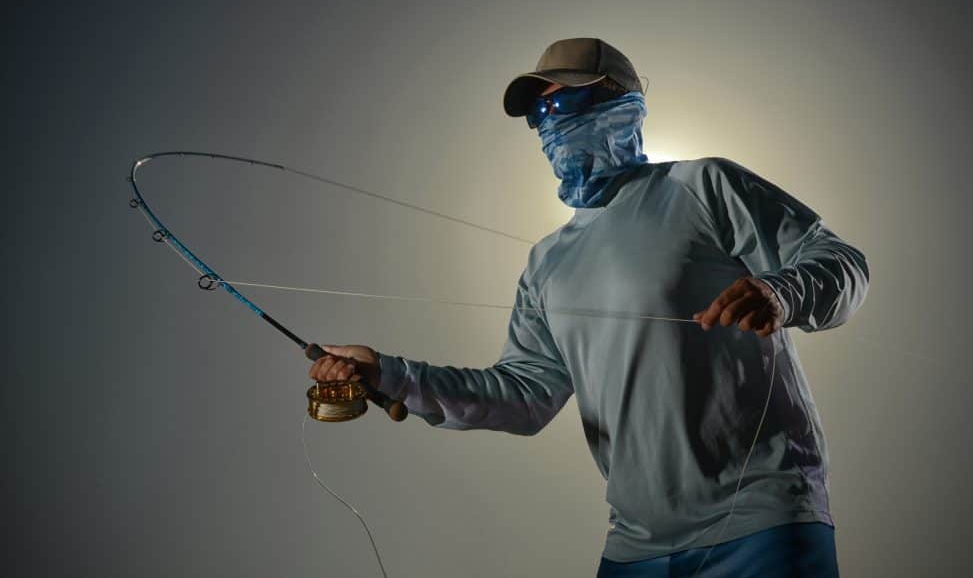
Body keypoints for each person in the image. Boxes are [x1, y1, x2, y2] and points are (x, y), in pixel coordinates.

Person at [308, 37, 868, 576]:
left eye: (566, 100)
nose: (552, 121)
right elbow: (524, 395)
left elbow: (842, 262)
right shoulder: (545, 263)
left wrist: (782, 292)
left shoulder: (703, 185)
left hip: (763, 525)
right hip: (635, 547)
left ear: (623, 104)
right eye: (540, 112)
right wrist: (390, 374)